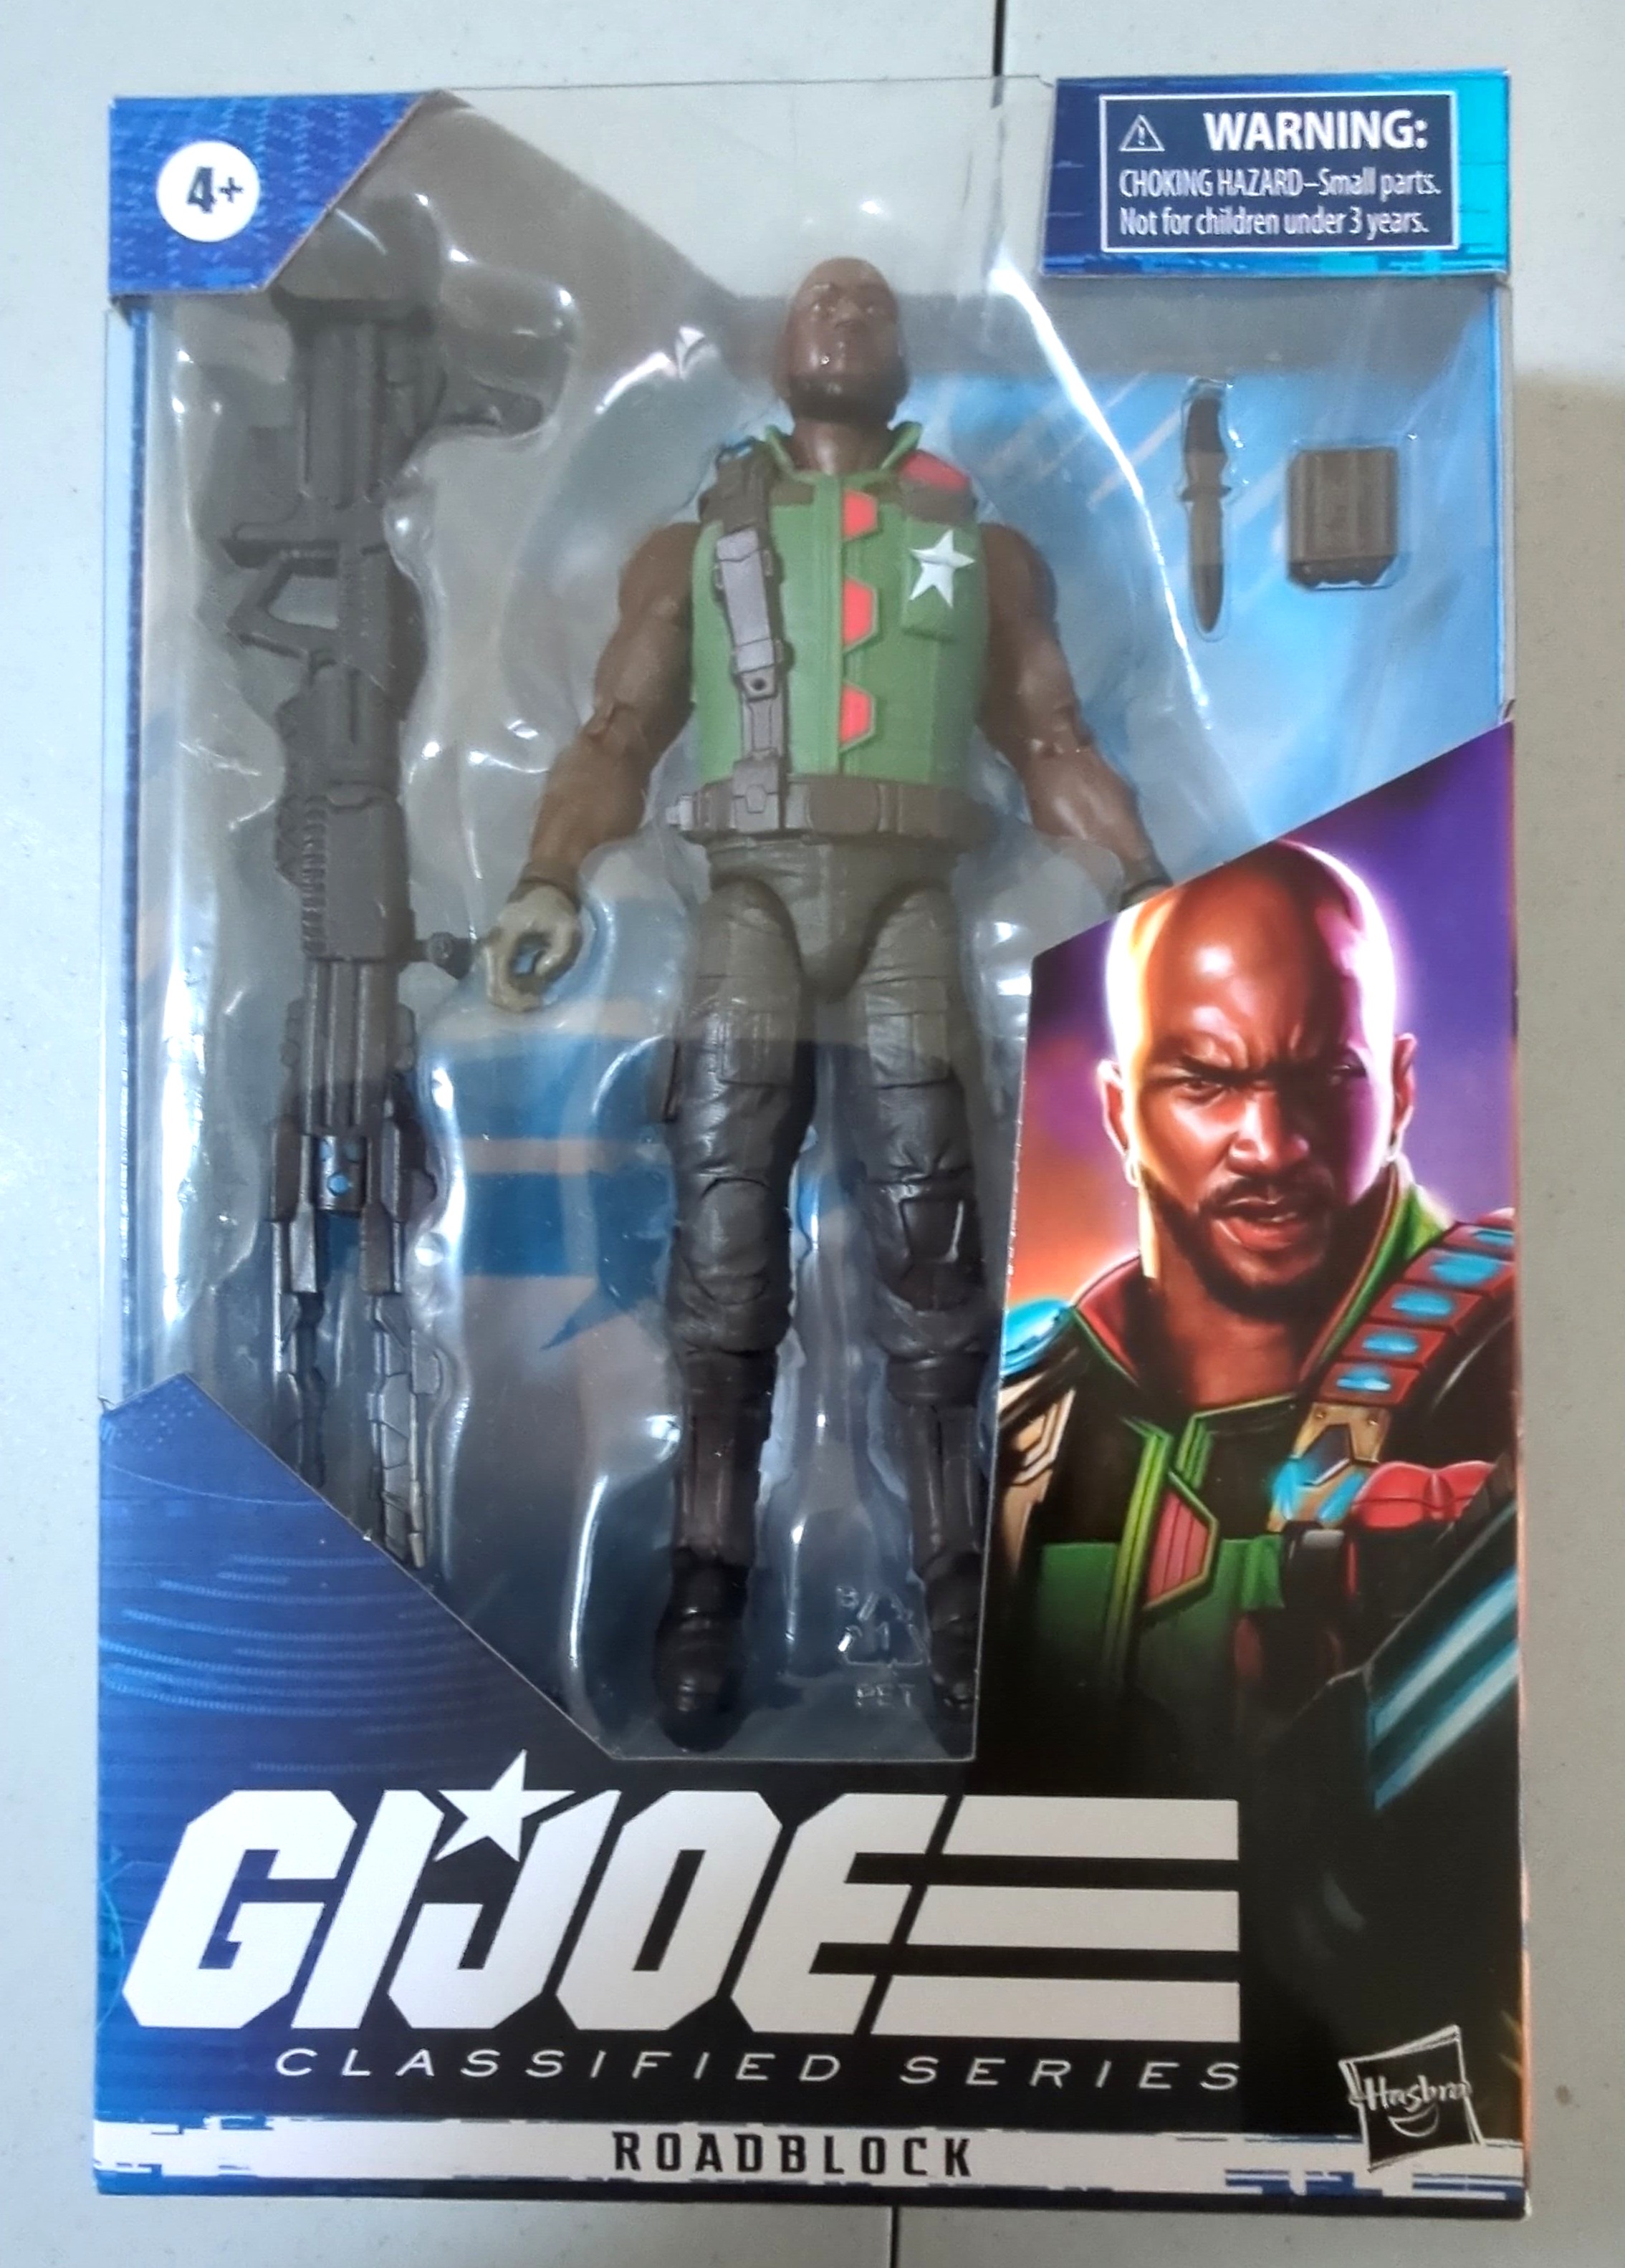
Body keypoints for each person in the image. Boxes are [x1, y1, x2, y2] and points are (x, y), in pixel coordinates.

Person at [485, 256, 1164, 1745]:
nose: (846, 312)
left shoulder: (979, 548)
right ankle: (706, 1580)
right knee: (725, 1250)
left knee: (933, 1252)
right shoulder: (699, 543)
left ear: (907, 349)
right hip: (749, 897)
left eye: (872, 302)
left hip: (913, 900)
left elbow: (1052, 740)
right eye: (820, 300)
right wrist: (548, 876)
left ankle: (957, 1579)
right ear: (777, 344)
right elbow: (619, 729)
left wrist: (1144, 890)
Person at [987, 839, 1515, 1794]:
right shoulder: (1024, 1412)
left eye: (1324, 1075)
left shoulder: (1522, 1364)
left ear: (1399, 1090)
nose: (1270, 1146)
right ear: (1120, 1114)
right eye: (1206, 1082)